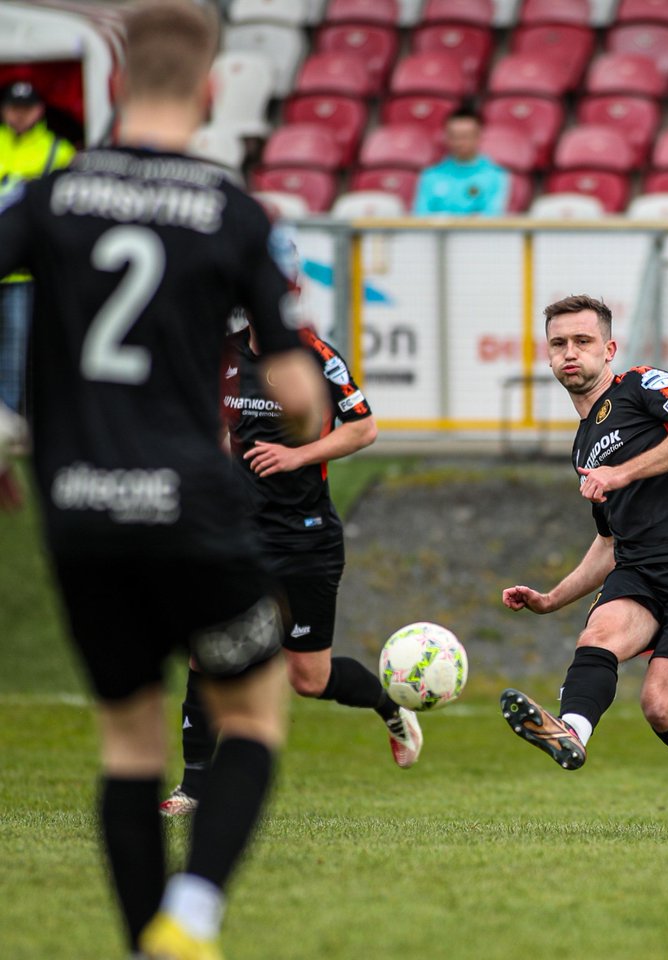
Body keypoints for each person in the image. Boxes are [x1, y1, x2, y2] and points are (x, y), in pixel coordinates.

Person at [0, 2, 327, 958]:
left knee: (130, 746)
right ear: (214, 89)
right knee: (257, 714)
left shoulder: (51, 198)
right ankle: (193, 913)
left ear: (113, 86)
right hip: (189, 504)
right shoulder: (234, 212)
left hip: (78, 510)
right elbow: (300, 397)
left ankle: (147, 943)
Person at [499, 294, 668, 839]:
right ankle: (570, 732)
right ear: (548, 359)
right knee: (599, 631)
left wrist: (622, 473)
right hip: (640, 571)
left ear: (609, 349)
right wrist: (550, 599)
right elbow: (608, 543)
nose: (571, 353)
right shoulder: (581, 446)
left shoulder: (642, 384)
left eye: (583, 341)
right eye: (559, 344)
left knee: (661, 706)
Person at [160, 308, 424, 817]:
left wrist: (295, 457)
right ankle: (192, 788)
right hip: (237, 536)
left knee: (309, 679)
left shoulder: (315, 356)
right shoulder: (226, 353)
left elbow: (364, 429)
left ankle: (390, 708)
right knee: (206, 651)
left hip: (305, 539)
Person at [0, 80, 75, 412]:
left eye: (26, 107)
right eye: (13, 107)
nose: (19, 115)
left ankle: (9, 434)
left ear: (40, 109)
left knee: (15, 361)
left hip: (27, 275)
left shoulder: (59, 151)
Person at [412, 108, 510, 216]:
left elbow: (493, 218)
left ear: (479, 136)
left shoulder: (496, 176)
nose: (459, 142)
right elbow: (420, 216)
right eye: (454, 136)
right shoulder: (430, 175)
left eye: (465, 136)